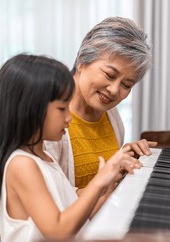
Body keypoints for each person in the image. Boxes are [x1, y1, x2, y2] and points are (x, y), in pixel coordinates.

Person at [0, 53, 141, 242]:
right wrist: (100, 181)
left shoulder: (46, 160)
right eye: (62, 109)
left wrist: (109, 185)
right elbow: (58, 232)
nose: (68, 118)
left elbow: (82, 217)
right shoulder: (22, 165)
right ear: (31, 109)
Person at [44, 16, 157, 191]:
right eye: (110, 75)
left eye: (126, 85)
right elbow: (52, 201)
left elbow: (106, 181)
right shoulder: (48, 115)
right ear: (82, 61)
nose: (114, 90)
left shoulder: (111, 115)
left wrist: (124, 161)